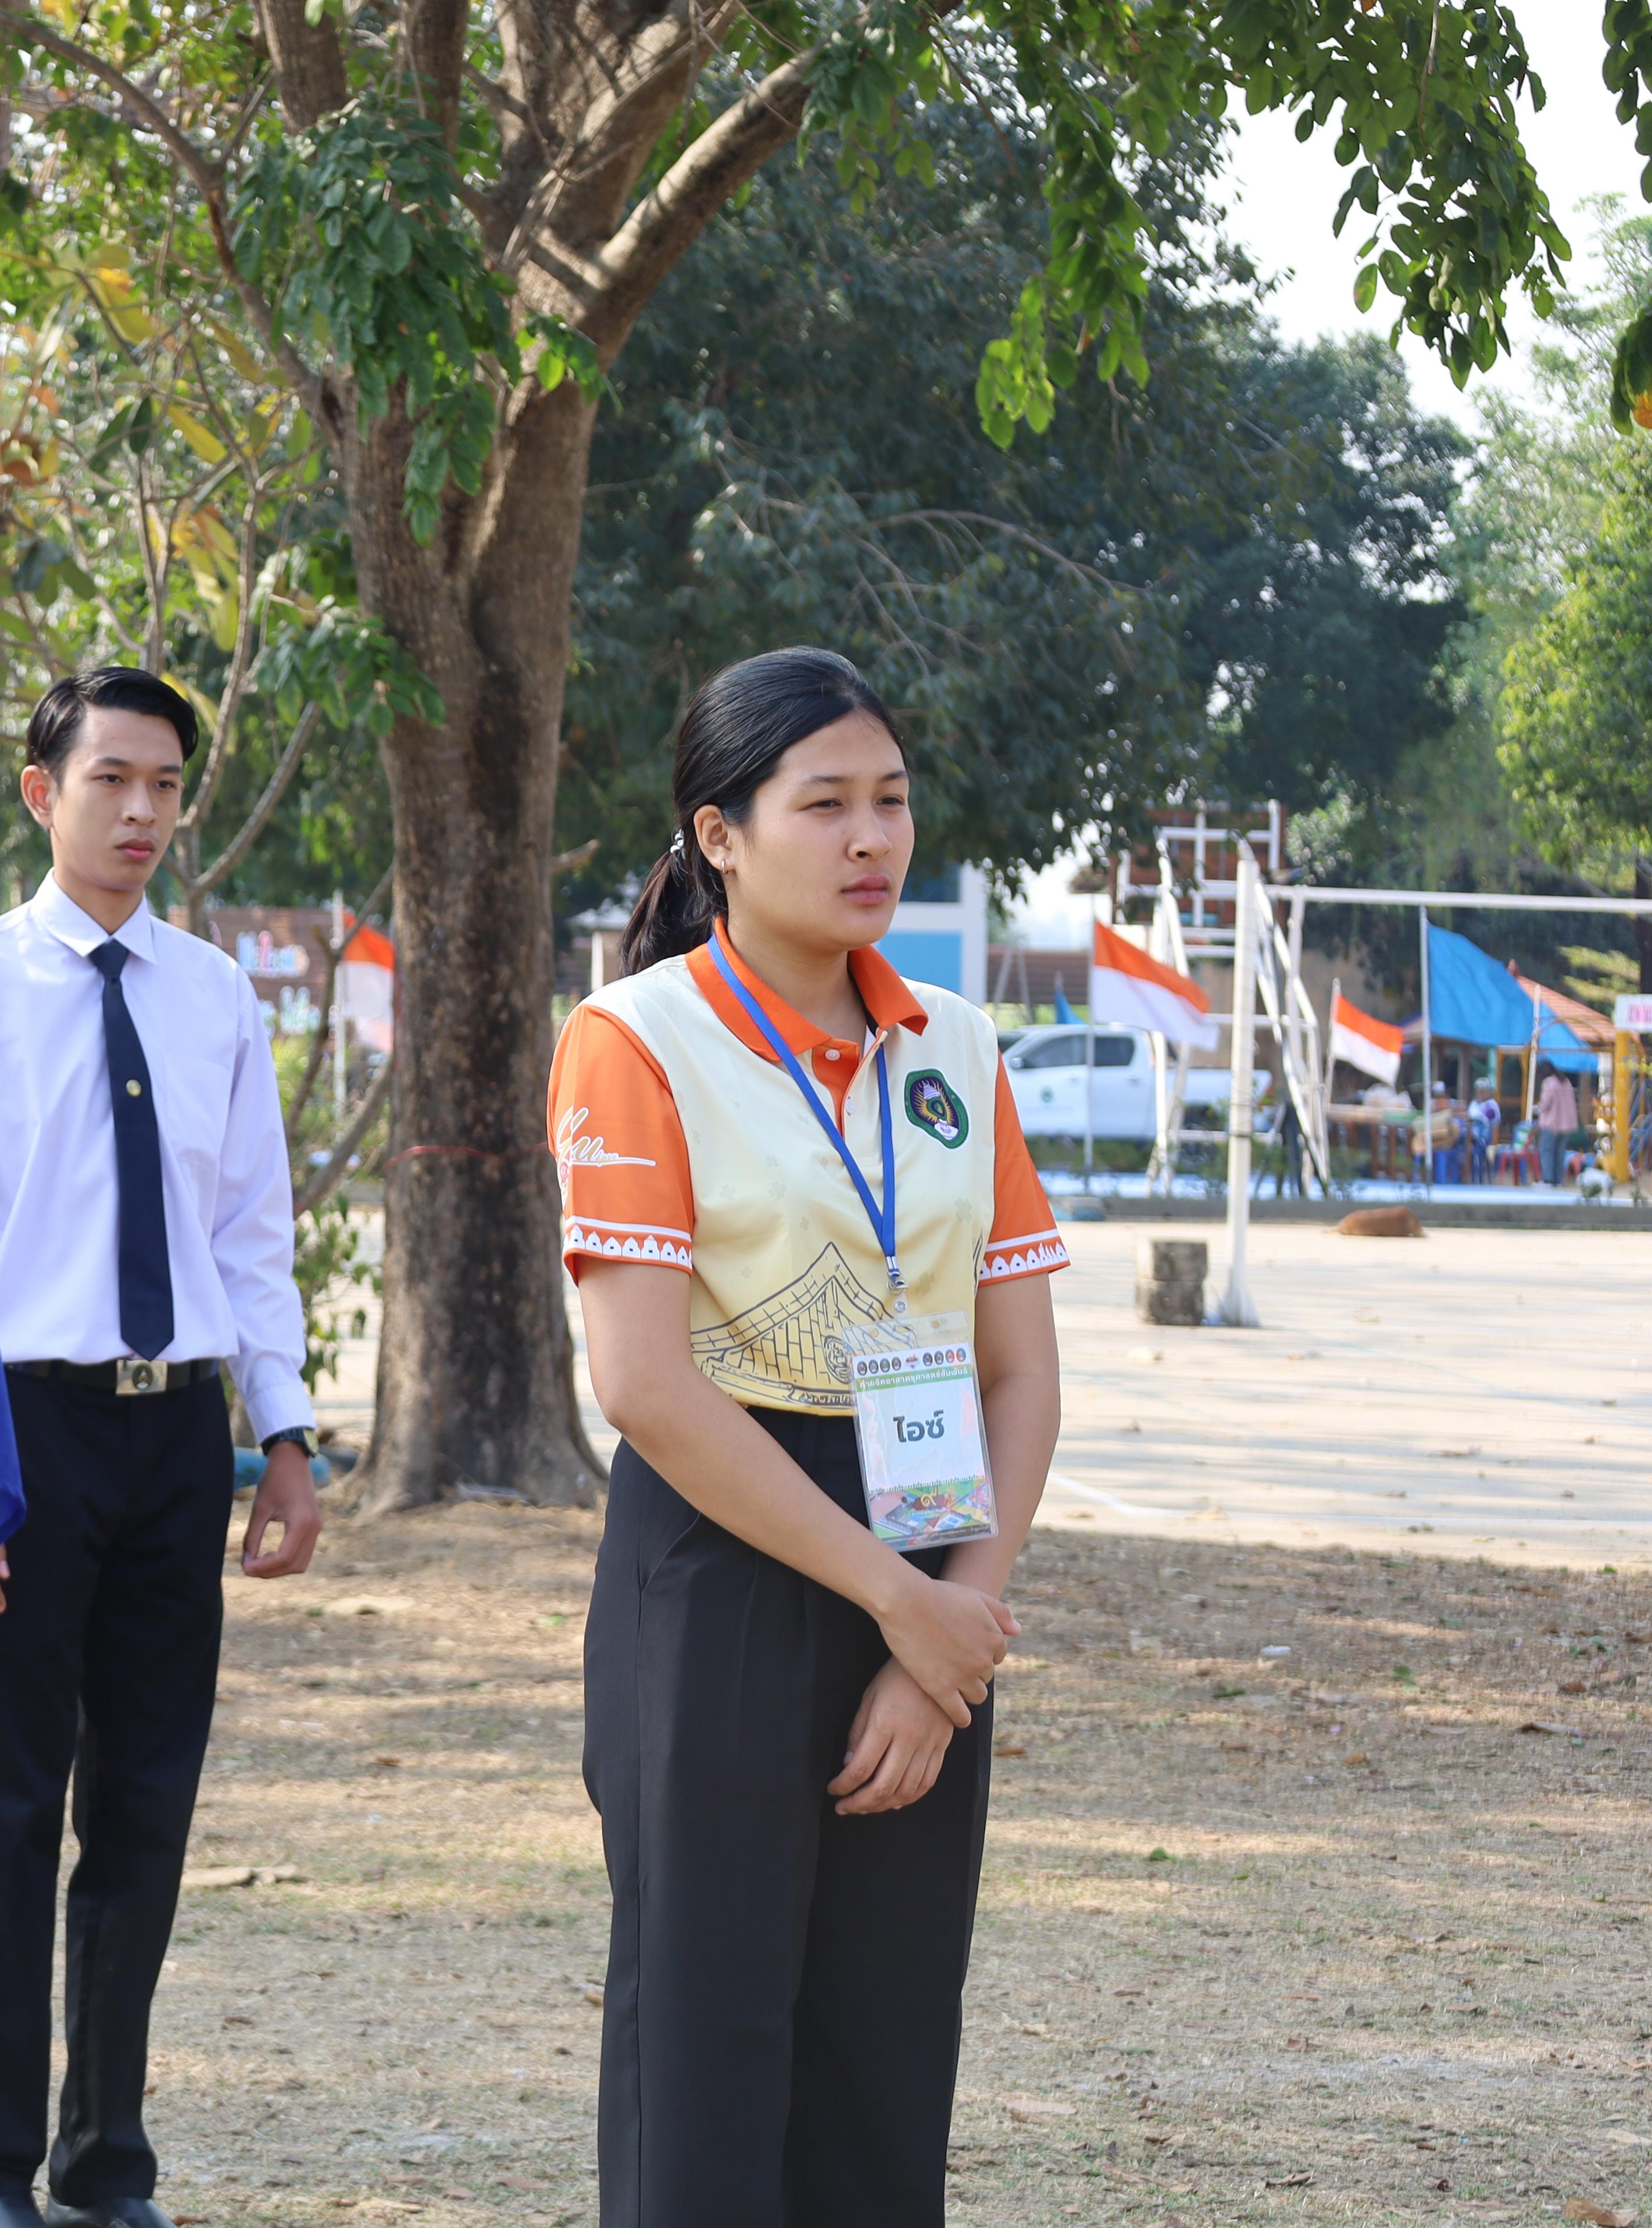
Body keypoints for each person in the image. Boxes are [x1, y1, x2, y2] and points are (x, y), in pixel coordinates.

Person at [548, 648, 1064, 2228]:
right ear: (718, 833)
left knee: (888, 2034)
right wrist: (898, 1603)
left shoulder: (959, 1049)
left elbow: (1023, 1377)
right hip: (722, 1557)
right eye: (824, 805)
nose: (871, 841)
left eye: (893, 803)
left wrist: (939, 1638)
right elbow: (643, 1387)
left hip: (928, 1534)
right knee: (705, 2035)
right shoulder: (634, 1040)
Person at [0, 669, 323, 2228]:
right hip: (23, 1427)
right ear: (43, 793)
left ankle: (107, 2161)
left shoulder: (213, 996)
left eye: (166, 785)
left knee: (146, 1806)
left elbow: (252, 1233)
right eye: (112, 781)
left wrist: (281, 1434)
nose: (143, 813)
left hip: (177, 1439)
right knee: (8, 1808)